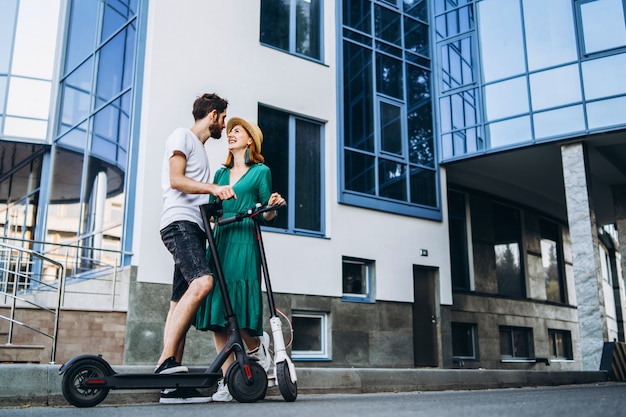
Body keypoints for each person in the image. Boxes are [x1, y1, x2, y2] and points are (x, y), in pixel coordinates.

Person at [195, 116, 285, 402]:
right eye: (229, 130)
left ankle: (257, 348)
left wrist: (271, 207)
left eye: (237, 131)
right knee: (219, 315)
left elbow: (267, 214)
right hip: (220, 242)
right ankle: (227, 379)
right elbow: (212, 210)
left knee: (241, 315)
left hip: (245, 240)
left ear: (250, 140)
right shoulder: (220, 175)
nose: (230, 134)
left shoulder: (261, 172)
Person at [156, 93, 236, 404]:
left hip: (195, 228)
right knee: (204, 282)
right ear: (214, 114)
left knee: (178, 302)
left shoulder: (201, 151)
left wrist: (216, 206)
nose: (224, 124)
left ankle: (170, 383)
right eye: (224, 118)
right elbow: (177, 180)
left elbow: (198, 195)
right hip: (180, 224)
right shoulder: (183, 136)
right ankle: (165, 363)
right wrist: (213, 188)